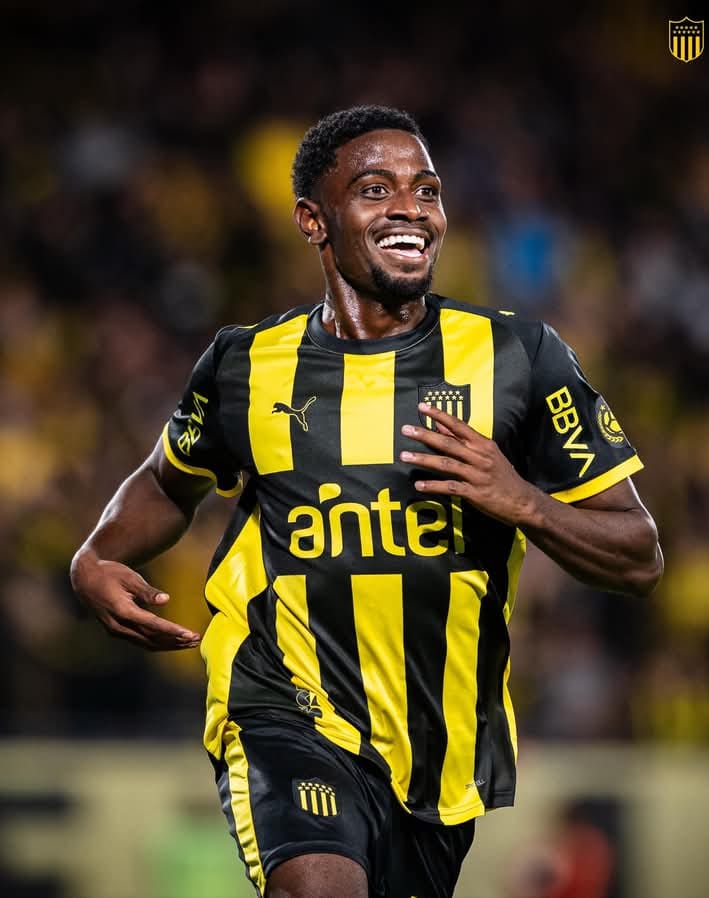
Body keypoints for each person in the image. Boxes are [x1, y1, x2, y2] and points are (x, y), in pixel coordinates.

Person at [70, 105, 663, 898]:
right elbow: (165, 480)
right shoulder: (244, 364)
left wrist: (522, 500)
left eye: (427, 189)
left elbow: (639, 554)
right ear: (313, 220)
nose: (411, 207)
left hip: (436, 750)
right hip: (280, 703)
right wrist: (95, 557)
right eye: (376, 189)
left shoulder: (521, 357)